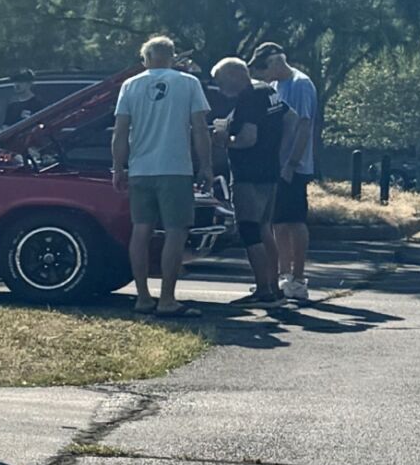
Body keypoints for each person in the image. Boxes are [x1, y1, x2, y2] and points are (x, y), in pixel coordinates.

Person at [111, 35, 212, 317]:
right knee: (175, 232)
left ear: (145, 58)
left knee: (141, 230)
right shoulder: (188, 83)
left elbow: (120, 131)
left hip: (141, 169)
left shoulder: (130, 85)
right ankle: (167, 298)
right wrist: (206, 165)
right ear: (172, 57)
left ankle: (143, 297)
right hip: (175, 168)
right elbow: (199, 128)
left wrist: (118, 167)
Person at [211, 56, 284, 306]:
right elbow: (292, 118)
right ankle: (273, 285)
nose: (220, 87)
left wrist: (224, 140)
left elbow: (247, 138)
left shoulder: (248, 97)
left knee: (249, 229)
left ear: (234, 76)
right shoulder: (268, 91)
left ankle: (263, 290)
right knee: (265, 228)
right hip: (270, 168)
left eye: (220, 81)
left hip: (248, 173)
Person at [251, 42, 318, 302]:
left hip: (294, 165)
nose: (262, 73)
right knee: (278, 222)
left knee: (295, 220)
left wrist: (292, 163)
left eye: (264, 67)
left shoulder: (300, 84)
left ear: (277, 60)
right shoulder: (276, 86)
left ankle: (298, 279)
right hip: (276, 164)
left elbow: (304, 125)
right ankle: (282, 275)